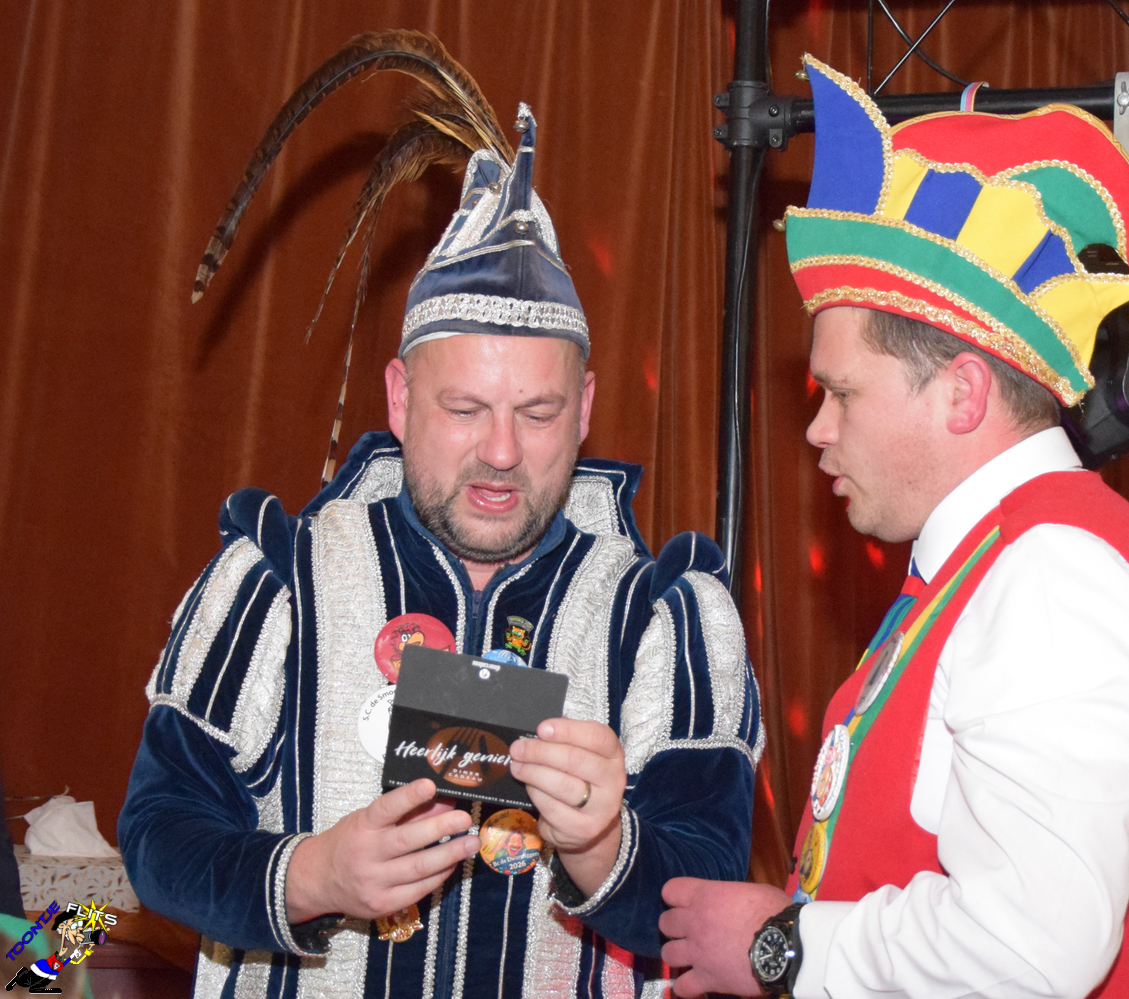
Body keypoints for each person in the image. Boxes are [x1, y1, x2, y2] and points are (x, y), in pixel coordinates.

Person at [118, 33, 762, 999]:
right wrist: (313, 875)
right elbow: (158, 832)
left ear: (585, 409)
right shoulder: (277, 576)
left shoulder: (664, 615)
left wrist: (604, 845)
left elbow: (708, 896)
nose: (500, 451)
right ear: (399, 397)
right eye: (463, 409)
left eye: (537, 412)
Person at [658, 57, 1129, 998]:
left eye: (843, 392)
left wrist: (785, 946)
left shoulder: (1053, 576)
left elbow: (1030, 948)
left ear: (963, 393)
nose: (817, 428)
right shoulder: (987, 568)